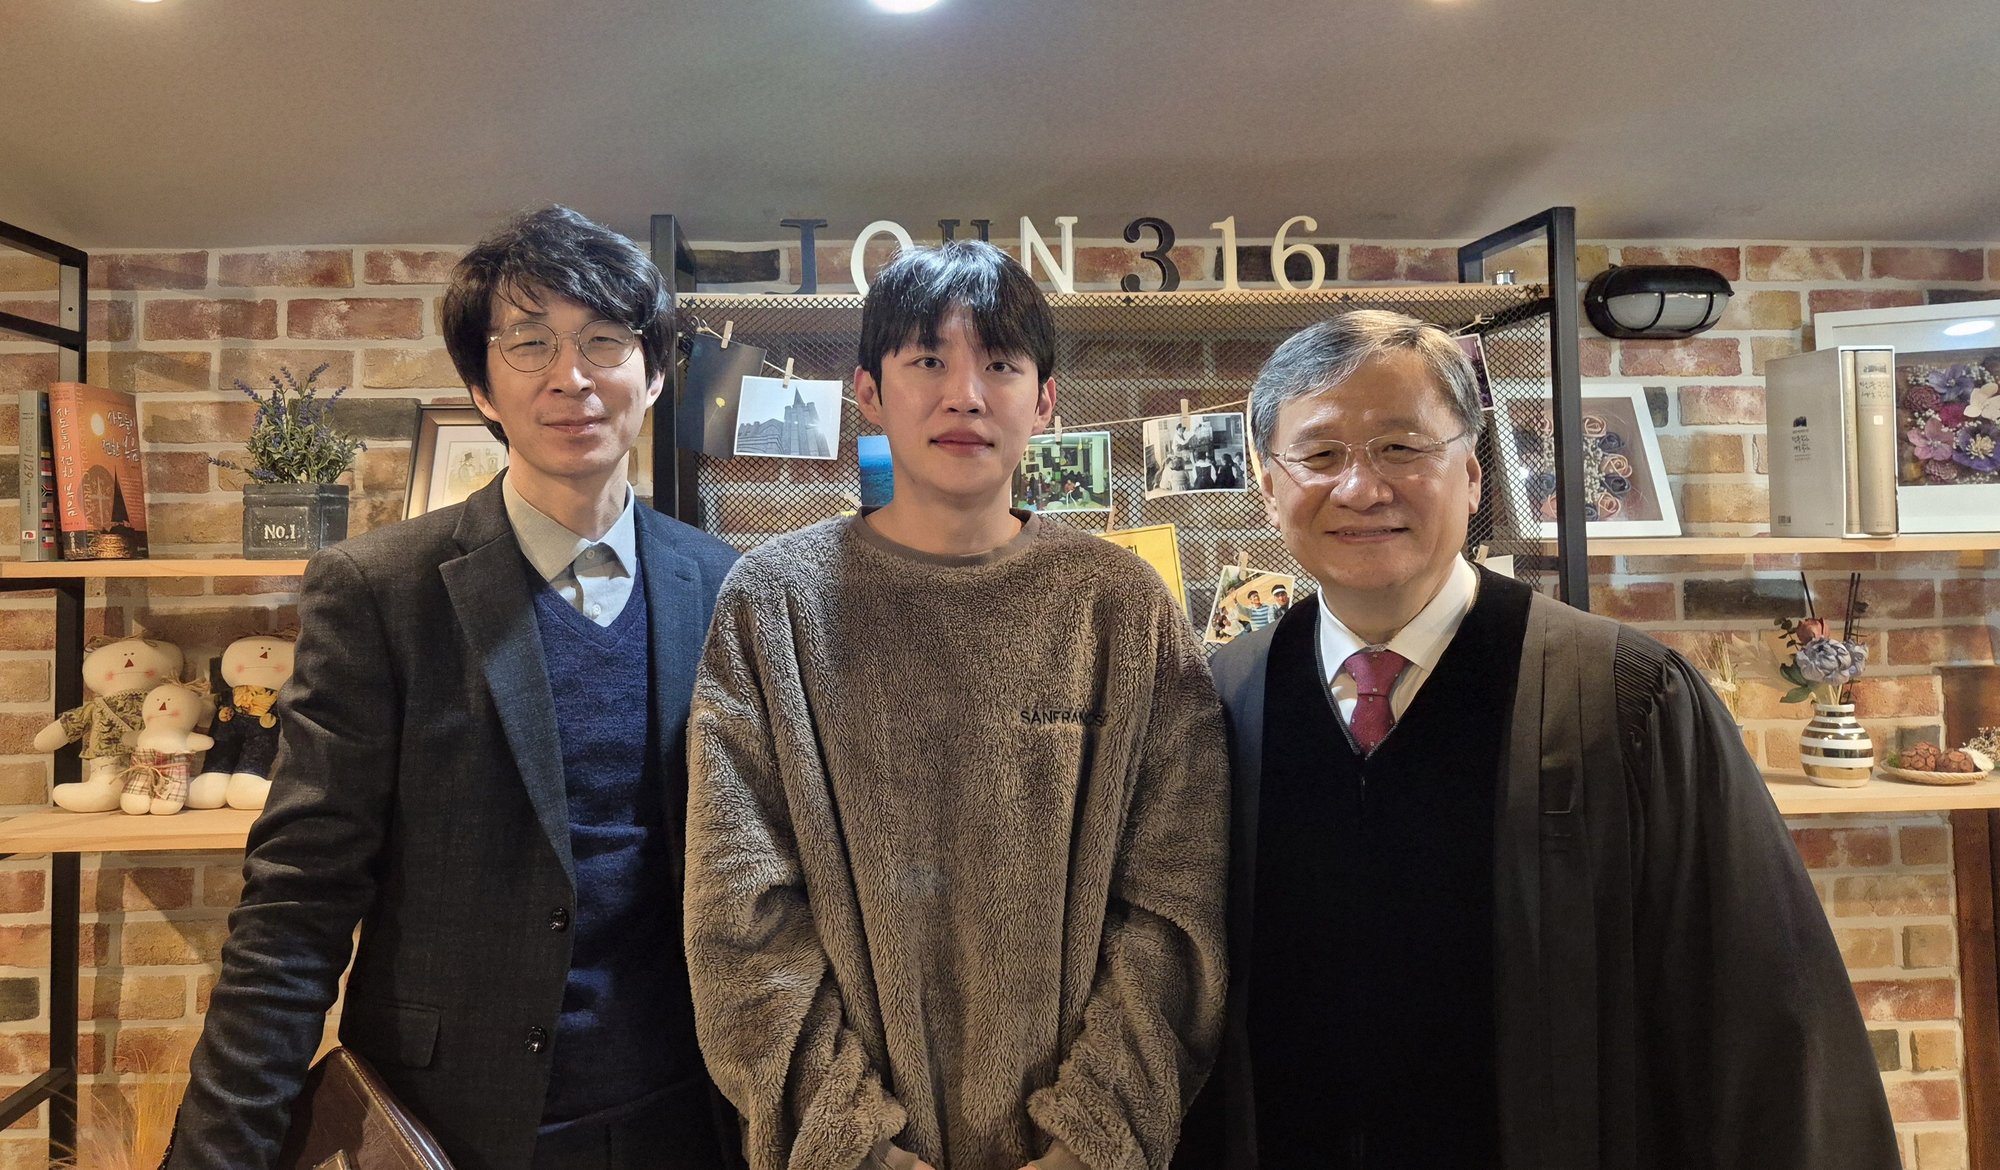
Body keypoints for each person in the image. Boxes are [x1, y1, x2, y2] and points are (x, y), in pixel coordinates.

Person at [1177, 310, 1899, 1170]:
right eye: (1321, 455)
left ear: (1472, 474)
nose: (1361, 488)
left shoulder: (1625, 699)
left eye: (1402, 448)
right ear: (1269, 488)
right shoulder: (1224, 700)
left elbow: (1762, 1015)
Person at [169, 206, 743, 1170]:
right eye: (530, 344)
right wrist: (217, 1154)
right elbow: (300, 899)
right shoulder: (381, 590)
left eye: (605, 341)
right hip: (451, 1123)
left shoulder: (725, 586)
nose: (571, 377)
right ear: (482, 386)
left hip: (687, 1117)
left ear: (653, 372)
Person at [684, 240, 1230, 1170]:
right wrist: (850, 1142)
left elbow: (1175, 907)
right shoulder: (773, 601)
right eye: (928, 360)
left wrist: (1092, 1138)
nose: (966, 395)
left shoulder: (1123, 605)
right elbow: (739, 914)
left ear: (1045, 401)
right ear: (869, 392)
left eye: (1002, 365)